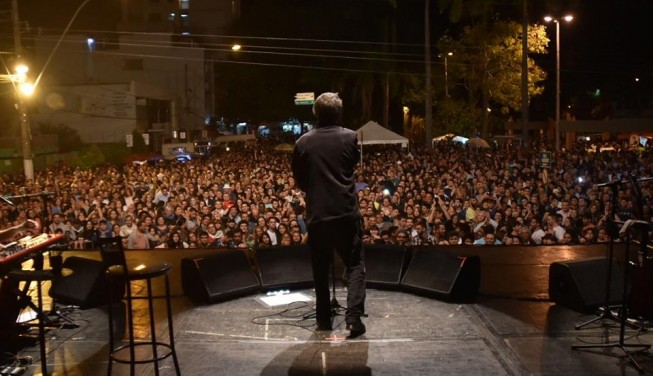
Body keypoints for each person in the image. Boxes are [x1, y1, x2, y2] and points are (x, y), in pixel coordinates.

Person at [292, 92, 366, 338]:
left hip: (318, 214)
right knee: (354, 264)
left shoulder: (303, 142)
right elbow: (351, 165)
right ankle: (353, 318)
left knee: (320, 267)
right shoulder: (350, 137)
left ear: (316, 114)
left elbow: (301, 181)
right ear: (338, 113)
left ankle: (323, 318)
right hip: (345, 211)